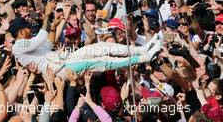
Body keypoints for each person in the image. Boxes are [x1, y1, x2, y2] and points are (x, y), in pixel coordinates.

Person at [10, 16, 161, 78]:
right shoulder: (17, 46)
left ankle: (143, 49)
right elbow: (41, 37)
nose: (31, 30)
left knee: (101, 46)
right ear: (21, 31)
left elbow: (48, 43)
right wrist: (48, 13)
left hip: (63, 59)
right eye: (28, 28)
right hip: (61, 70)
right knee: (103, 61)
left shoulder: (28, 44)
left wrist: (55, 25)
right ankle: (143, 57)